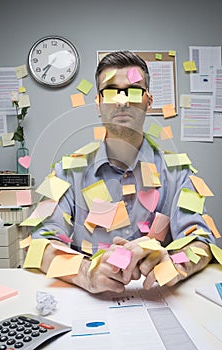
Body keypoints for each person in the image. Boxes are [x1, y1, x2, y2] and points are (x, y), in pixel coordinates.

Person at [32, 50, 215, 294]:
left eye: (133, 90)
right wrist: (87, 273)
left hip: (158, 299)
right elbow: (40, 242)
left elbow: (202, 243)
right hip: (87, 302)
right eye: (111, 91)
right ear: (98, 102)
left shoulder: (179, 172)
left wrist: (172, 264)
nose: (122, 100)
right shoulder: (66, 172)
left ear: (148, 102)